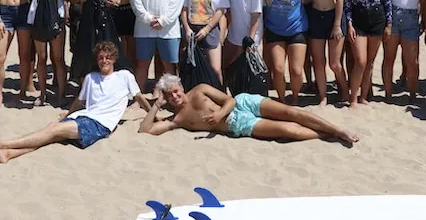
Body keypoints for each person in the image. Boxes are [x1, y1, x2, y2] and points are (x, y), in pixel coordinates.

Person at [0, 42, 151, 164]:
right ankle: (9, 153)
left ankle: (6, 144)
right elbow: (79, 101)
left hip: (99, 124)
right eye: (101, 58)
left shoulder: (124, 76)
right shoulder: (91, 77)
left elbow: (139, 97)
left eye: (108, 57)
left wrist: (152, 114)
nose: (104, 61)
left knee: (52, 130)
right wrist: (69, 113)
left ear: (114, 59)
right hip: (83, 116)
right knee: (52, 135)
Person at [139, 75, 359, 143]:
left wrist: (219, 114)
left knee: (292, 112)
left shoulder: (199, 90)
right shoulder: (177, 119)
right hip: (237, 125)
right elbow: (146, 130)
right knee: (287, 130)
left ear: (181, 86)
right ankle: (325, 134)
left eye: (176, 91)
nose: (175, 96)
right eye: (169, 95)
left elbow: (230, 101)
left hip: (241, 104)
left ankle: (338, 130)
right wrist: (156, 105)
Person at [298, 0, 347, 105]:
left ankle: (345, 92)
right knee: (318, 62)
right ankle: (323, 96)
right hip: (316, 16)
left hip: (334, 16)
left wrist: (337, 24)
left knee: (335, 63)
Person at [344, 0, 391, 107]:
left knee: (370, 62)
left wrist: (388, 24)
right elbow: (347, 1)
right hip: (358, 18)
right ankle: (353, 98)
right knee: (360, 61)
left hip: (377, 18)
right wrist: (349, 23)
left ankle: (363, 97)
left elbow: (387, 0)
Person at [27, 0, 71, 106]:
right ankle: (43, 94)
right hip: (39, 17)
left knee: (58, 58)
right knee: (42, 57)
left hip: (57, 17)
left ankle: (61, 94)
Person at [262, 0, 308, 104]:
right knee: (278, 69)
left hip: (296, 29)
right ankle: (281, 100)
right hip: (274, 30)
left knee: (296, 71)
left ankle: (294, 98)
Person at [382, 0, 425, 102]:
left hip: (412, 19)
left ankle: (412, 93)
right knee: (389, 59)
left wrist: (424, 20)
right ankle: (388, 94)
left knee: (412, 62)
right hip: (392, 18)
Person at [182, 0, 230, 84]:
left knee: (215, 68)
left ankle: (221, 95)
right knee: (191, 66)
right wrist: (187, 29)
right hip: (192, 29)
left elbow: (221, 10)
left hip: (211, 29)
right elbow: (184, 8)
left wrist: (207, 29)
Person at [0, 0, 33, 104]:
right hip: (3, 11)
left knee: (24, 54)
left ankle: (22, 90)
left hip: (23, 10)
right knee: (1, 56)